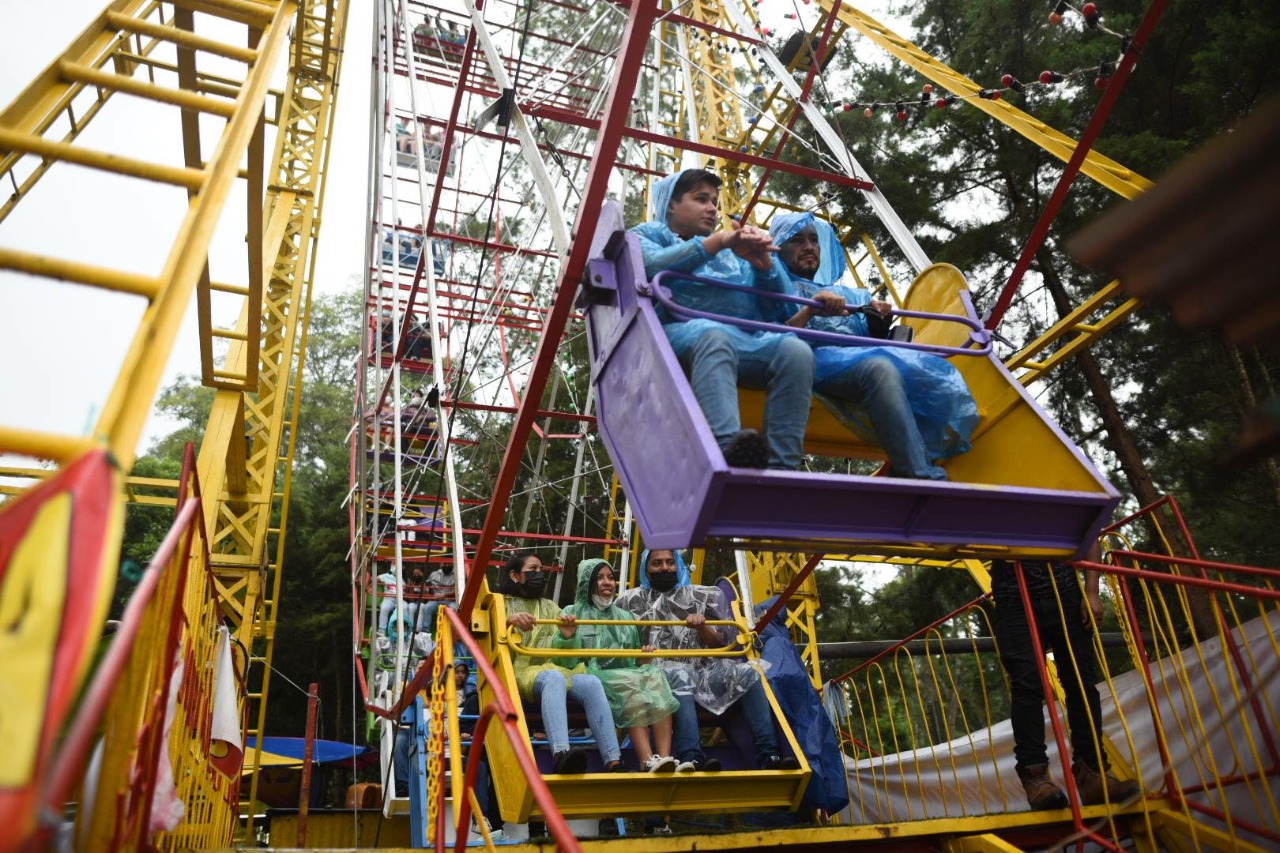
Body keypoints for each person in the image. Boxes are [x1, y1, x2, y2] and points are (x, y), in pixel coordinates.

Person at [770, 212, 979, 479]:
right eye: (796, 240)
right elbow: (771, 340)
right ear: (779, 247)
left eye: (813, 240)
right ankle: (917, 473)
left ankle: (924, 455)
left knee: (931, 369)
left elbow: (866, 338)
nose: (809, 247)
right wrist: (810, 312)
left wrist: (877, 320)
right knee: (879, 369)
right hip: (811, 360)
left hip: (853, 359)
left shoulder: (848, 294)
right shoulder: (774, 286)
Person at [631, 168, 814, 470]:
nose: (712, 208)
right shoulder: (649, 234)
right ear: (671, 205)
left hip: (742, 339)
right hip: (675, 335)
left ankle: (784, 464)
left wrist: (762, 262)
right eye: (701, 199)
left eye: (715, 202)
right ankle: (727, 447)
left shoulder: (733, 252)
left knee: (794, 349)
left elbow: (777, 309)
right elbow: (650, 263)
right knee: (713, 335)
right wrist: (719, 242)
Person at [616, 548, 799, 772]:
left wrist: (702, 627)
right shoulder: (629, 602)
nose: (664, 568)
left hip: (702, 669)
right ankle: (691, 755)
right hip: (654, 674)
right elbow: (621, 650)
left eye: (669, 562)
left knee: (750, 672)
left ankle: (769, 753)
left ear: (678, 565)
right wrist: (641, 657)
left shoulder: (704, 596)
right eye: (657, 563)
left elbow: (721, 645)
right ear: (646, 569)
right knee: (679, 674)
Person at [990, 544, 1141, 809]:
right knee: (1027, 684)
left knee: (1082, 682)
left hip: (1066, 590)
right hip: (1012, 594)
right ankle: (1035, 777)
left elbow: (1089, 528)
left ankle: (1092, 771)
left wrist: (1092, 590)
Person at [498, 551, 626, 774]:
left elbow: (564, 658)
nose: (539, 574)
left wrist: (567, 637)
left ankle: (613, 759)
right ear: (515, 575)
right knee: (553, 678)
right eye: (533, 570)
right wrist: (507, 621)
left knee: (591, 682)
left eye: (541, 570)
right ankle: (561, 753)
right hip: (517, 670)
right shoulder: (500, 603)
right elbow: (483, 629)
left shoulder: (551, 608)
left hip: (553, 668)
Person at [559, 559, 681, 773]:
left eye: (610, 578)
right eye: (600, 577)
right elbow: (565, 662)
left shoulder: (624, 616)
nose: (607, 582)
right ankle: (646, 761)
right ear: (586, 582)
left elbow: (631, 661)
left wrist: (643, 661)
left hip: (623, 675)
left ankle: (665, 758)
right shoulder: (571, 611)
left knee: (653, 675)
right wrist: (567, 638)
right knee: (632, 682)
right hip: (588, 675)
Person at [416, 564, 455, 635]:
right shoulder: (434, 574)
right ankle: (425, 631)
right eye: (445, 564)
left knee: (454, 608)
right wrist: (429, 593)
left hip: (450, 600)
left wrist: (445, 595)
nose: (447, 565)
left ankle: (452, 631)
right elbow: (428, 586)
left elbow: (458, 590)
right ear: (441, 564)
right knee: (427, 607)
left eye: (449, 564)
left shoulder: (457, 574)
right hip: (436, 600)